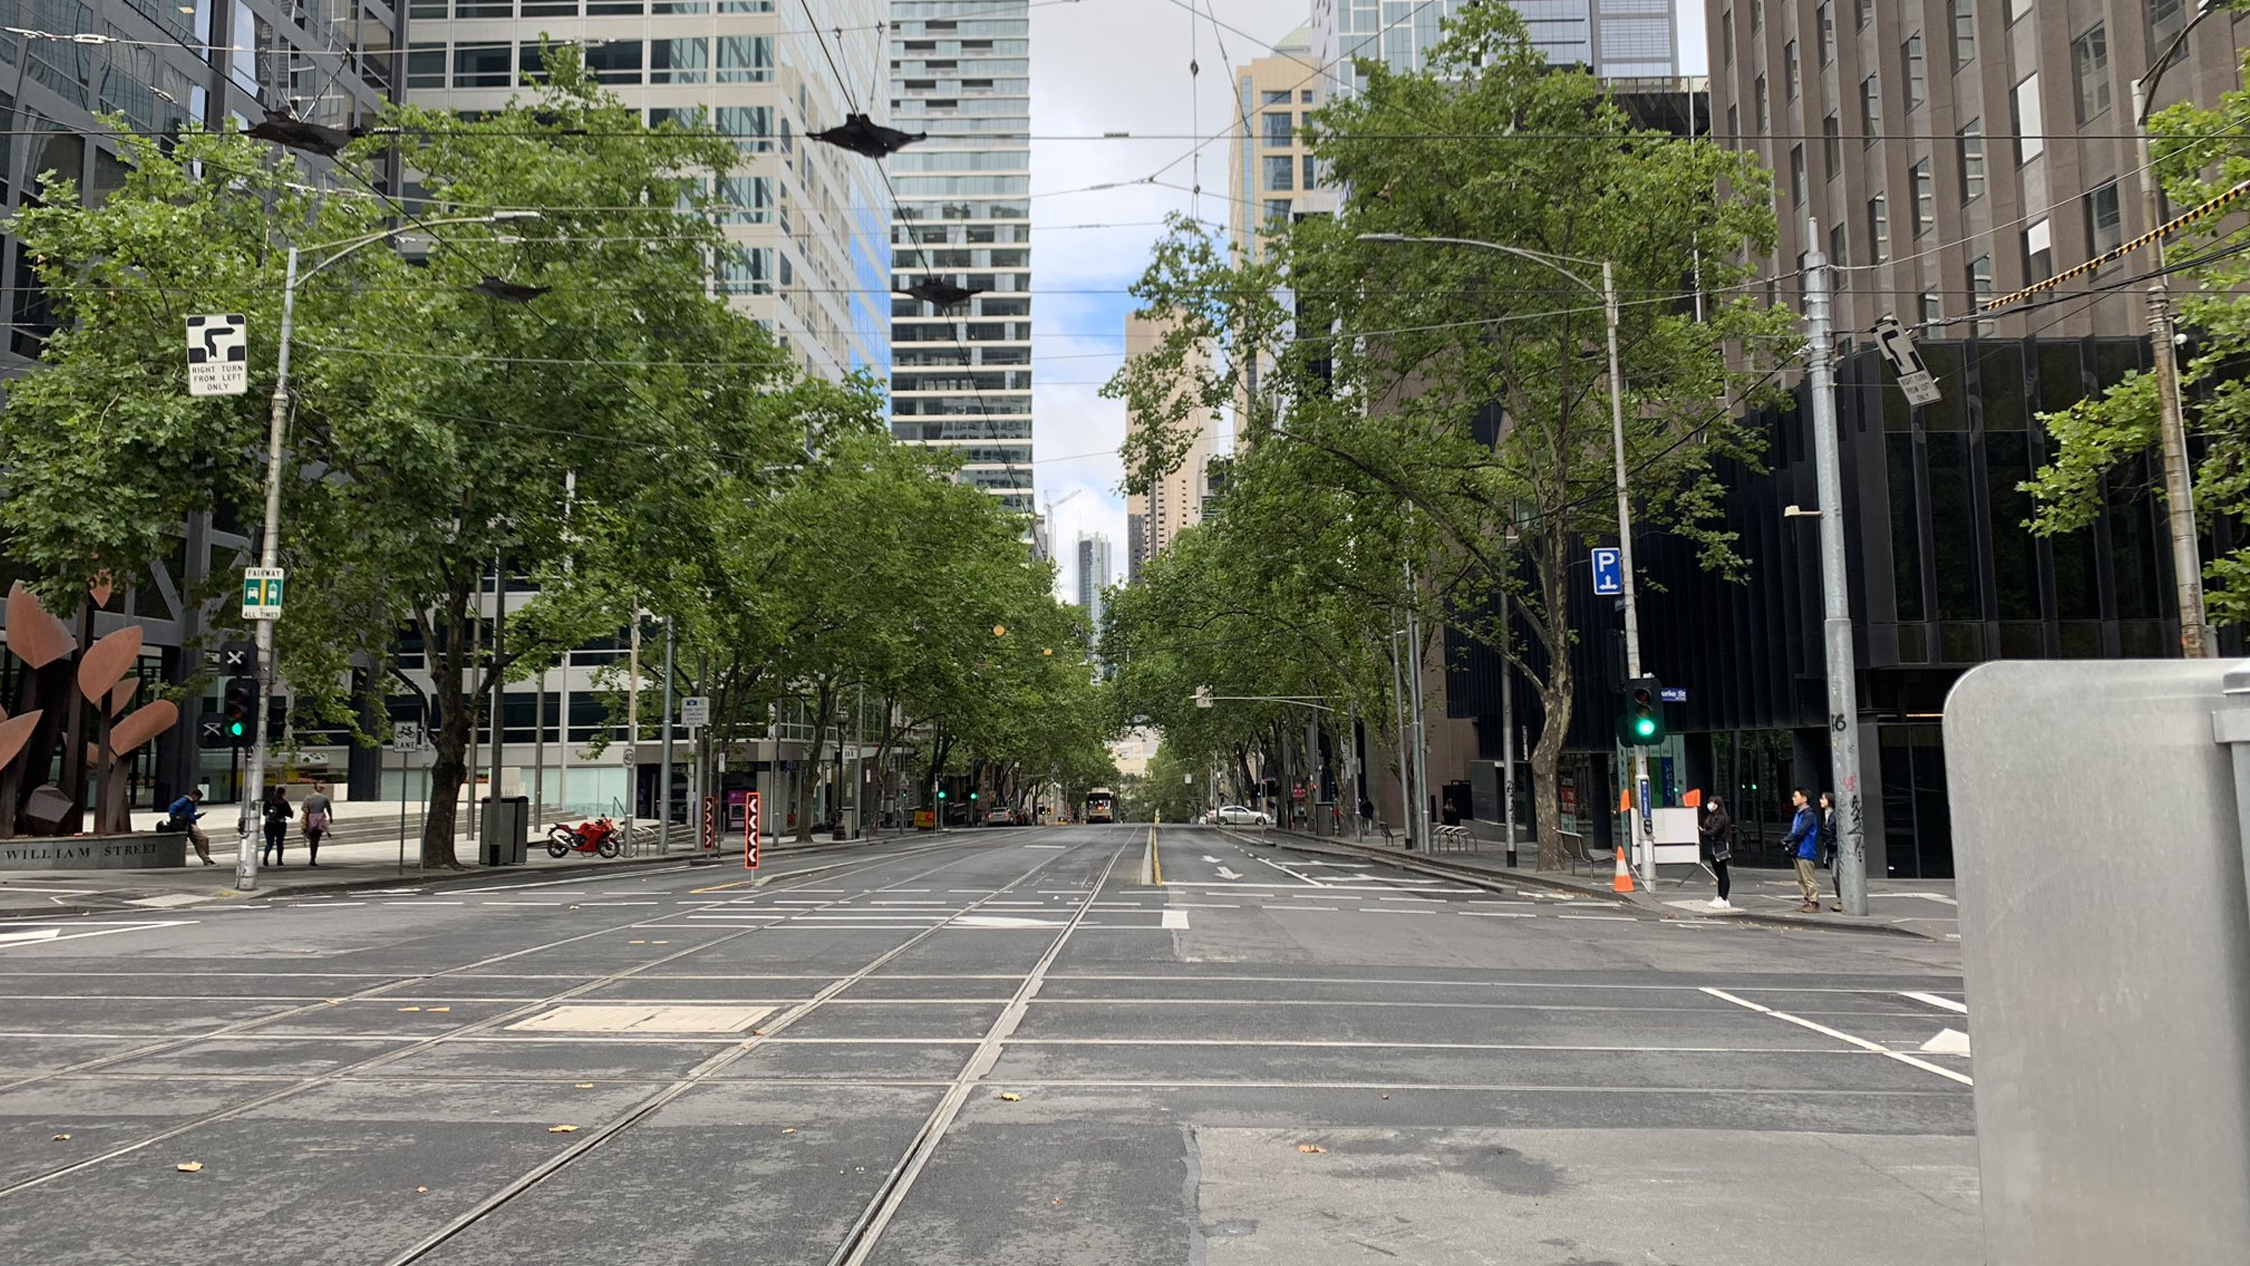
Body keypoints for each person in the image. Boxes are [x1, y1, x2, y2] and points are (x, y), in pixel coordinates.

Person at [1786, 788, 1821, 913]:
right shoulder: (1798, 814)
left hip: (1805, 849)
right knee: (1801, 878)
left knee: (1808, 878)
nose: (1793, 799)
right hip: (1798, 850)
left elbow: (1800, 831)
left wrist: (1787, 839)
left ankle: (1814, 902)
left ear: (1804, 798)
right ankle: (1807, 900)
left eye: (1796, 796)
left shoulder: (1809, 815)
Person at [1699, 795, 1735, 910]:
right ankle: (1720, 896)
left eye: (1713, 803)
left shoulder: (1722, 817)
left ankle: (1723, 898)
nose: (1710, 805)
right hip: (1714, 848)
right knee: (1719, 874)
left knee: (1722, 873)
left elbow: (1713, 832)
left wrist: (1704, 832)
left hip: (1720, 848)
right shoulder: (1712, 816)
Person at [167, 789, 213, 864]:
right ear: (195, 796)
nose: (198, 800)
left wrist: (198, 816)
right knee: (204, 838)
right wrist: (175, 818)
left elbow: (190, 815)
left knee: (197, 843)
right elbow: (173, 807)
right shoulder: (185, 800)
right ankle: (206, 857)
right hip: (188, 824)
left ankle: (206, 860)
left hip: (189, 823)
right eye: (198, 798)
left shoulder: (192, 803)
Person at [1818, 791, 1842, 912]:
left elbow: (1837, 832)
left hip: (1836, 849)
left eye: (1823, 799)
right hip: (1830, 849)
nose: (1820, 801)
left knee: (1835, 875)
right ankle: (1841, 899)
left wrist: (1832, 842)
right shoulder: (1826, 815)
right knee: (1834, 875)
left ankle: (1842, 899)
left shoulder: (1835, 815)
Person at [300, 782, 332, 868]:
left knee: (312, 839)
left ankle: (312, 856)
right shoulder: (325, 798)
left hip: (309, 819)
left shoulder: (308, 798)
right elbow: (329, 809)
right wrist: (330, 818)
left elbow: (303, 808)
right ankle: (313, 858)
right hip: (320, 820)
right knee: (315, 840)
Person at [260, 785, 291, 867]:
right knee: (279, 843)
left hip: (270, 823)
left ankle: (265, 857)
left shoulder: (268, 802)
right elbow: (289, 813)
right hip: (280, 824)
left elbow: (264, 813)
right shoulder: (284, 803)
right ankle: (279, 860)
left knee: (269, 843)